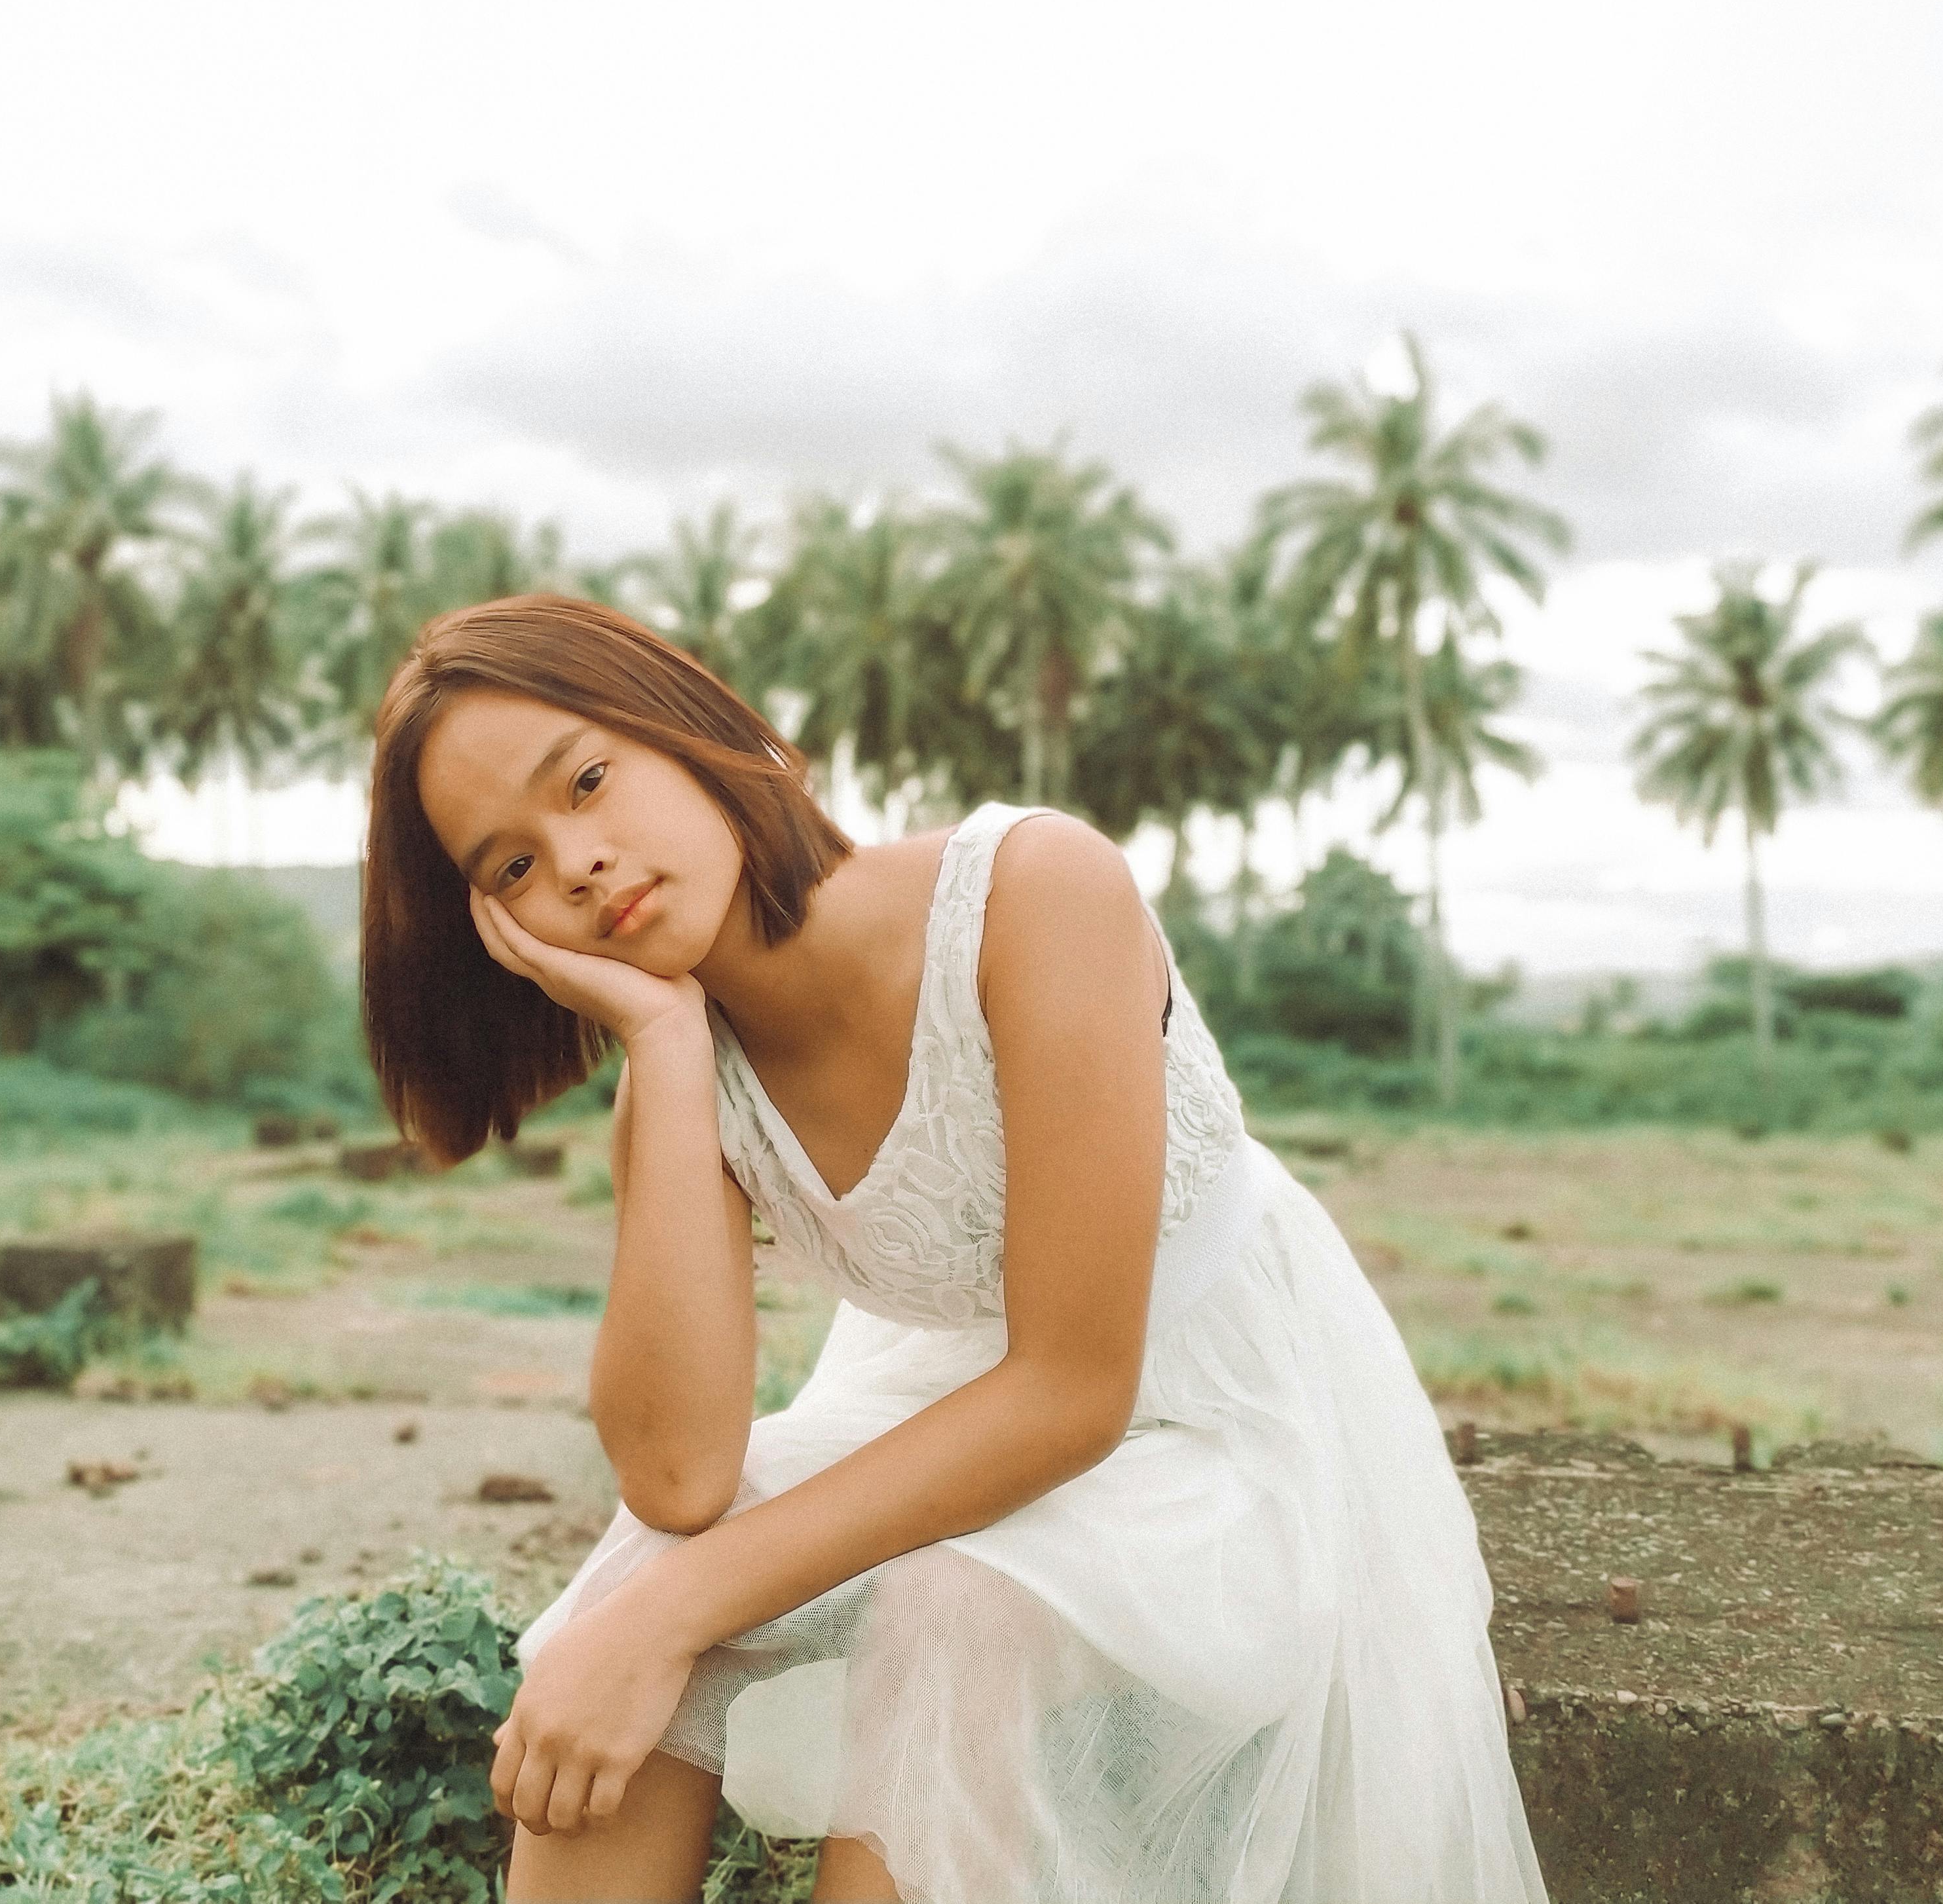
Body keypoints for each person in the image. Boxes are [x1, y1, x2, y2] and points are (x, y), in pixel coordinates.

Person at [360, 591, 1549, 1904]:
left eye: (586, 781)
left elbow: (1070, 1392)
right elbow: (677, 1477)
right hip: (948, 1407)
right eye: (510, 866)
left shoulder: (1032, 889)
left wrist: (667, 1618)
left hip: (1218, 1423)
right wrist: (663, 1043)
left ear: (688, 731)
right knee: (638, 1580)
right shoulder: (685, 1074)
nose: (574, 861)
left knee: (946, 1612)